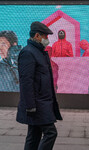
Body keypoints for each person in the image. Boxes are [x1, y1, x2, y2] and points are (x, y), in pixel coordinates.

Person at [16, 21, 63, 150]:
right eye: (45, 36)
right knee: (50, 133)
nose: (47, 39)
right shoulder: (28, 53)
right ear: (37, 36)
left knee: (34, 135)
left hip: (43, 102)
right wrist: (30, 106)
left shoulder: (39, 52)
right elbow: (26, 81)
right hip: (37, 103)